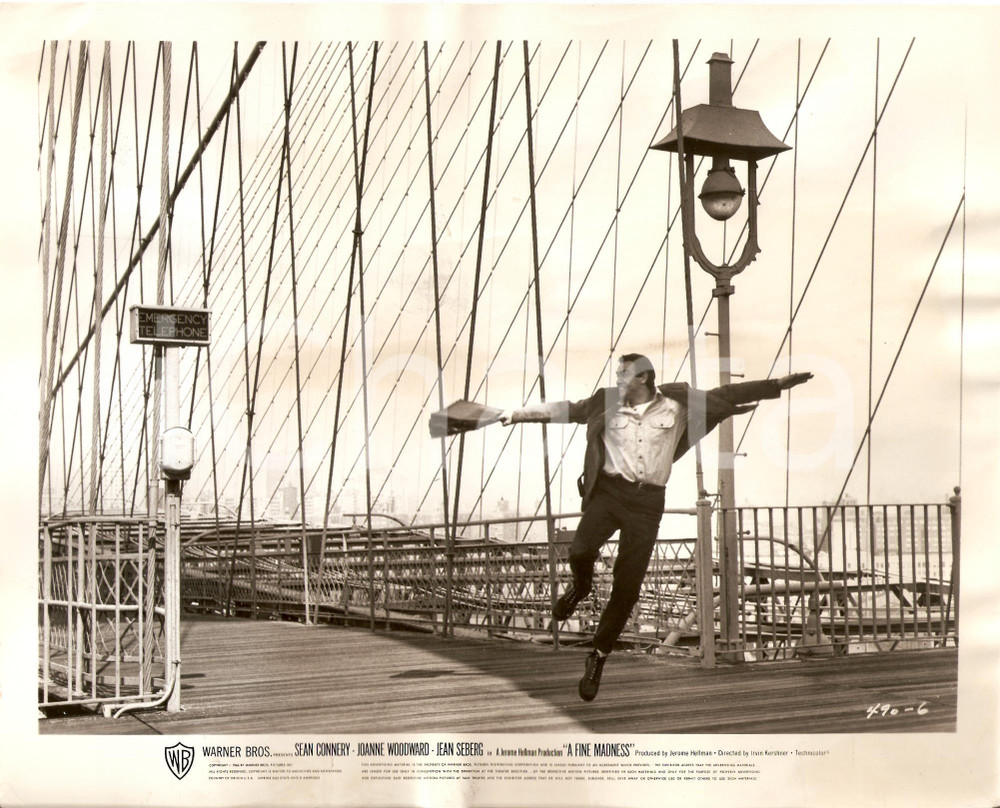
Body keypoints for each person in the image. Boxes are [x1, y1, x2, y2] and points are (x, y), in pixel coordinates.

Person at [499, 353, 812, 701]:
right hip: (609, 494)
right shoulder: (605, 401)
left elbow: (725, 395)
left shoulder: (676, 406)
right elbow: (565, 410)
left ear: (643, 379)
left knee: (627, 585)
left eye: (623, 375)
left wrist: (775, 386)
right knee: (580, 550)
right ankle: (581, 586)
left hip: (647, 504)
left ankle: (598, 655)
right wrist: (516, 414)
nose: (617, 379)